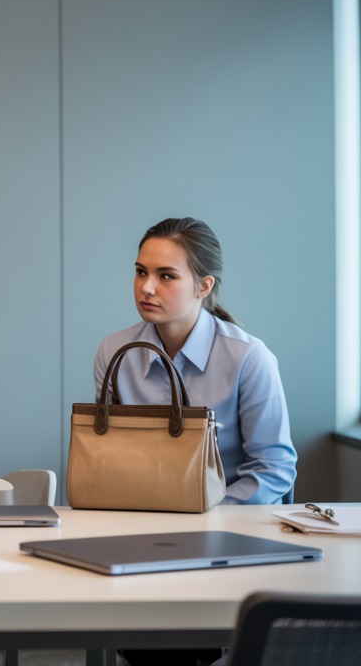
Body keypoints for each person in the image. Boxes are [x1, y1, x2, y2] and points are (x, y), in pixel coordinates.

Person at [96, 217, 297, 666]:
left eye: (166, 276)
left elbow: (275, 468)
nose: (147, 287)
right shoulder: (115, 353)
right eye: (140, 271)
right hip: (140, 534)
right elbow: (109, 459)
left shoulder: (248, 358)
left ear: (204, 286)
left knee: (173, 647)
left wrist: (210, 520)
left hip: (225, 534)